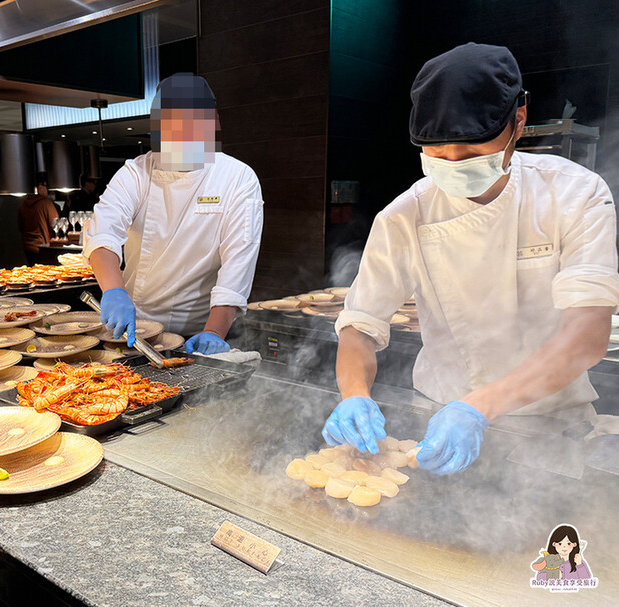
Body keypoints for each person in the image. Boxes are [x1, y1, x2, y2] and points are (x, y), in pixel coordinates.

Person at [323, 43, 619, 474]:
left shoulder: (576, 195)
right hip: (437, 418)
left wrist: (478, 409)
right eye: (438, 156)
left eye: (472, 154)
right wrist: (353, 394)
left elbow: (587, 335)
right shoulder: (406, 214)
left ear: (518, 121)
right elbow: (360, 325)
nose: (454, 168)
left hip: (551, 425)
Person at [83, 72, 265, 354]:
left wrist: (214, 332)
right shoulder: (136, 172)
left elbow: (238, 263)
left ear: (213, 121)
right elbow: (103, 232)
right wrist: (113, 291)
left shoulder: (238, 178)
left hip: (201, 330)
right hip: (135, 330)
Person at [17, 180, 60, 265]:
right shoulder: (46, 203)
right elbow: (56, 225)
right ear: (39, 187)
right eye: (45, 186)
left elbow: (20, 227)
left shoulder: (23, 205)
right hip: (43, 247)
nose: (47, 190)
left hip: (27, 246)